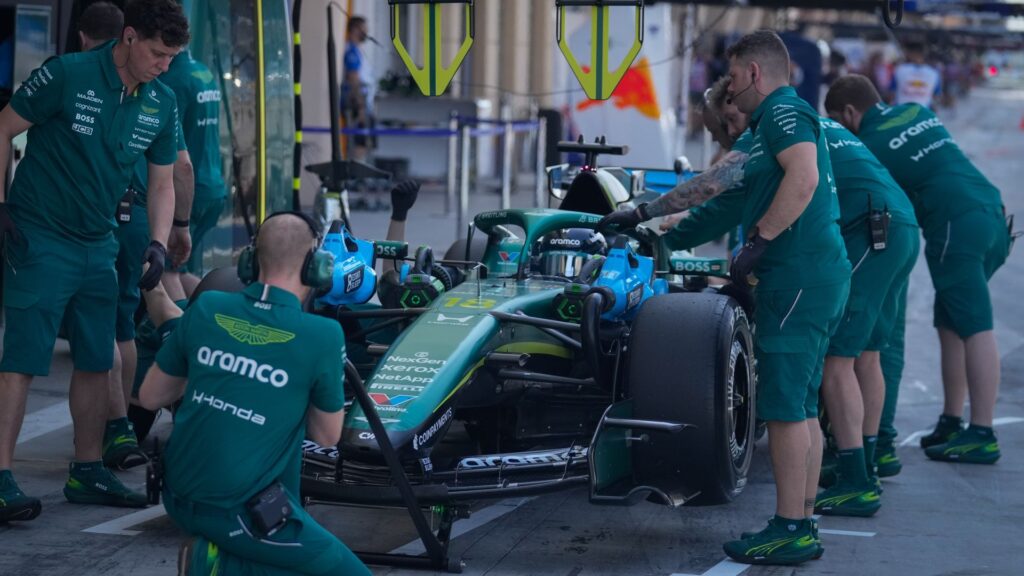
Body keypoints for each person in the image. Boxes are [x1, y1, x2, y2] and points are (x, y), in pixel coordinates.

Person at [601, 30, 850, 565]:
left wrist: (758, 242)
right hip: (813, 278)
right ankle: (802, 521)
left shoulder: (785, 114)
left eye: (735, 80)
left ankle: (789, 527)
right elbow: (713, 188)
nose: (730, 92)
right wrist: (645, 215)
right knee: (803, 407)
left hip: (798, 278)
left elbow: (803, 179)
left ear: (755, 74)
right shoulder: (763, 131)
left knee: (783, 409)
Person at [0, 0, 190, 522]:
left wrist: (156, 241)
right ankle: (0, 478)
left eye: (171, 57)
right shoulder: (68, 73)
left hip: (99, 242)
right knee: (21, 360)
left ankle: (88, 468)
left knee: (96, 357)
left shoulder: (162, 100)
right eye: (156, 53)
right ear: (128, 37)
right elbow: (2, 128)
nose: (163, 65)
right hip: (38, 236)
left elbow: (162, 181)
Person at [139, 212, 370, 576]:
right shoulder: (322, 335)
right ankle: (213, 562)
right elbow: (327, 436)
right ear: (316, 268)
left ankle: (223, 558)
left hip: (177, 494)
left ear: (249, 259)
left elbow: (151, 396)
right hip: (240, 510)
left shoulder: (208, 307)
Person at [826, 74, 1010, 465]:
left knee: (976, 325)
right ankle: (951, 420)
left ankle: (982, 432)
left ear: (848, 113)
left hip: (953, 224)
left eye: (840, 123)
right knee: (951, 323)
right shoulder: (914, 110)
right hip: (990, 210)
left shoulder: (868, 144)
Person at [811, 116, 919, 517]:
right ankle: (865, 466)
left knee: (835, 359)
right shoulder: (824, 125)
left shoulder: (775, 126)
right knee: (868, 354)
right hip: (901, 225)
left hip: (876, 229)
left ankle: (856, 480)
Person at [159, 47, 227, 295]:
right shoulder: (203, 71)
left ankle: (180, 332)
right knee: (180, 270)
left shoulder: (171, 80)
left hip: (188, 191)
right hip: (213, 185)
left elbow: (179, 159)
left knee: (164, 272)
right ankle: (212, 316)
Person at [341, 15, 375, 162]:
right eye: (364, 29)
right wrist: (360, 107)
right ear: (356, 29)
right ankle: (354, 176)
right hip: (357, 102)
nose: (367, 33)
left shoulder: (358, 51)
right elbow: (353, 78)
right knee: (359, 142)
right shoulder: (351, 51)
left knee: (366, 141)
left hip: (364, 102)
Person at [890, 42, 941, 109]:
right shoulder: (934, 73)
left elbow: (891, 92)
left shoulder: (899, 70)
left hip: (901, 111)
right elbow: (936, 95)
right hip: (923, 112)